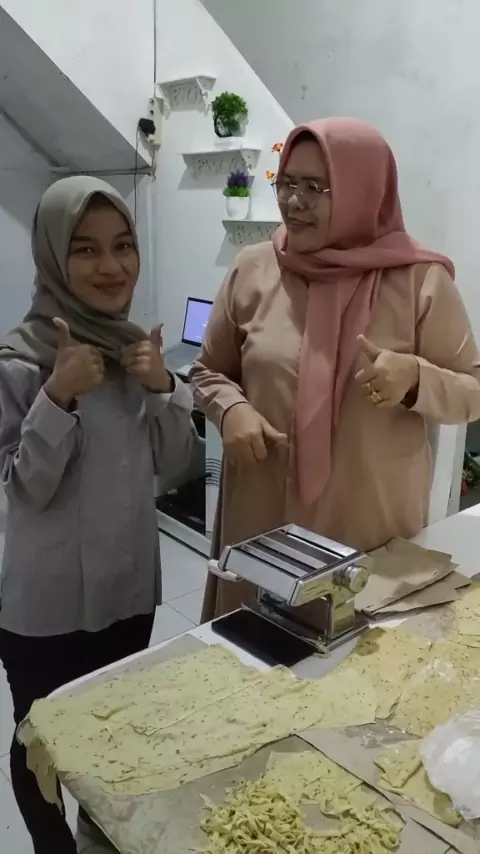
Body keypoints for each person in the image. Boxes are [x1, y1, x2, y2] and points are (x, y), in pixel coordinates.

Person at [190, 117, 480, 621]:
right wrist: (230, 408)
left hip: (369, 533)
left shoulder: (420, 282)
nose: (294, 202)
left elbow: (473, 390)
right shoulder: (254, 269)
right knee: (252, 656)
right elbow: (208, 371)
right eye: (286, 183)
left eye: (315, 187)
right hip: (263, 518)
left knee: (360, 660)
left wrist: (416, 378)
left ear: (363, 190)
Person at [0, 176, 196, 853]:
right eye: (85, 249)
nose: (111, 266)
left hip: (127, 595)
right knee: (41, 744)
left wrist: (163, 386)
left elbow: (178, 468)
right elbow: (20, 489)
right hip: (47, 611)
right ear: (53, 257)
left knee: (116, 734)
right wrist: (56, 396)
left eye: (123, 246)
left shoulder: (137, 352)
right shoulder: (21, 360)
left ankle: (101, 838)